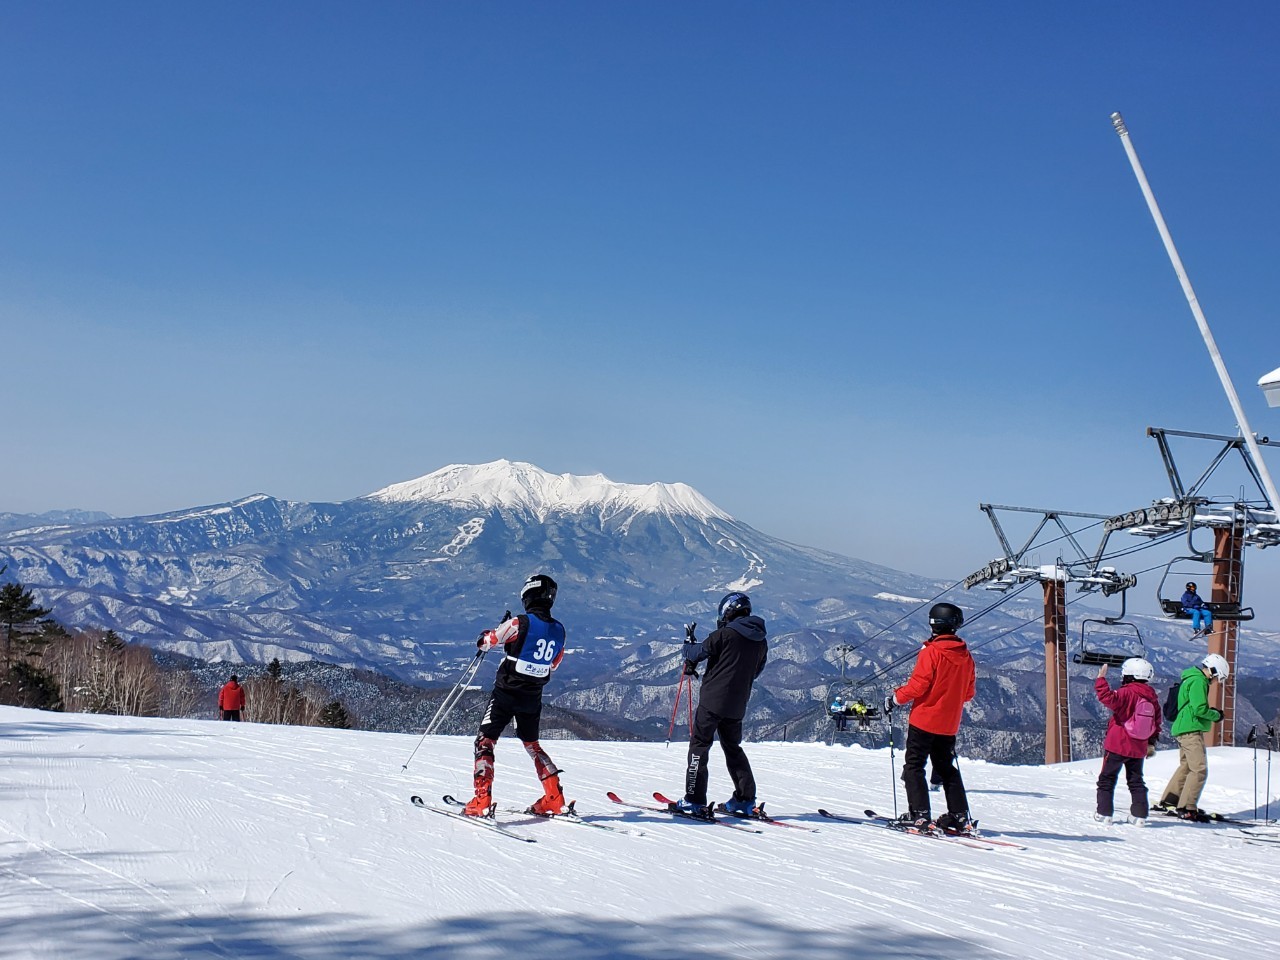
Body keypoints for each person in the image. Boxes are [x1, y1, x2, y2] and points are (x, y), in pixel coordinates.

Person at [462, 573, 568, 818]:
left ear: (527, 595)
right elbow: (553, 664)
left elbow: (488, 641)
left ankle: (482, 799)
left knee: (485, 741)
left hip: (505, 693)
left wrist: (486, 635)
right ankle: (554, 797)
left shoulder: (519, 623)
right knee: (533, 745)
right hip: (533, 697)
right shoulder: (560, 631)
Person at [673, 592, 768, 820]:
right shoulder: (761, 640)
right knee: (733, 749)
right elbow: (757, 670)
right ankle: (745, 799)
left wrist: (688, 646)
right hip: (737, 704)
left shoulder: (725, 634)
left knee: (700, 746)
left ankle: (694, 800)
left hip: (712, 702)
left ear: (728, 611)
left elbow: (698, 652)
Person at [884, 601, 976, 833]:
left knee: (914, 766)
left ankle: (919, 815)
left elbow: (918, 686)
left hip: (924, 720)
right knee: (946, 768)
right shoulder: (965, 655)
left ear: (933, 624)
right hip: (949, 723)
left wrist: (895, 698)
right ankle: (959, 816)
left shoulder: (932, 652)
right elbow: (968, 693)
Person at [1157, 653, 1229, 822]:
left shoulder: (1192, 677)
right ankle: (1187, 807)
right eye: (1218, 676)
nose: (1216, 681)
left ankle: (1171, 800)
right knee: (1199, 769)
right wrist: (1216, 715)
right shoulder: (1199, 681)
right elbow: (1199, 709)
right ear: (1212, 671)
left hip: (1183, 728)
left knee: (1187, 766)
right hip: (1190, 729)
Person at [1093, 658, 1161, 825]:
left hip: (1117, 744)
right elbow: (1156, 723)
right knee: (1136, 780)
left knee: (1107, 778)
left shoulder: (1127, 692)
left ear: (1128, 675)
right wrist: (1150, 743)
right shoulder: (1152, 697)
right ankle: (1139, 815)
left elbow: (1107, 698)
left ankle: (1104, 813)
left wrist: (1101, 679)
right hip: (1139, 746)